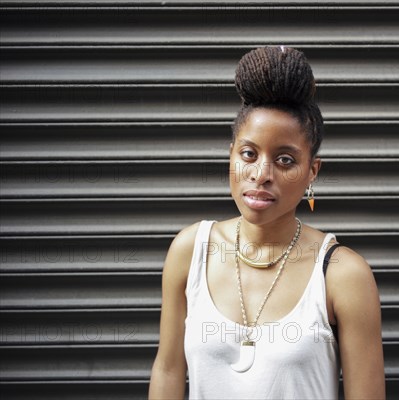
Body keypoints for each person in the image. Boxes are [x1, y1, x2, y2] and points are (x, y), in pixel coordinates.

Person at [148, 46, 385, 399]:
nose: (261, 175)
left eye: (285, 159)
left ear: (312, 172)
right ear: (231, 155)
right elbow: (168, 371)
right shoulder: (190, 250)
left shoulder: (341, 273)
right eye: (248, 154)